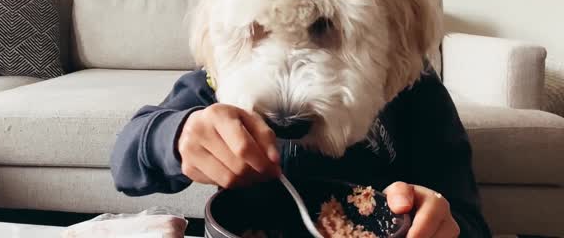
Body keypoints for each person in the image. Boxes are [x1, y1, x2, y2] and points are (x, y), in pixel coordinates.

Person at [110, 65, 492, 238]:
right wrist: (176, 136)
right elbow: (125, 164)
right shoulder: (224, 76)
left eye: (327, 31)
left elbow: (468, 221)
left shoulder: (413, 87)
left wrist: (440, 223)